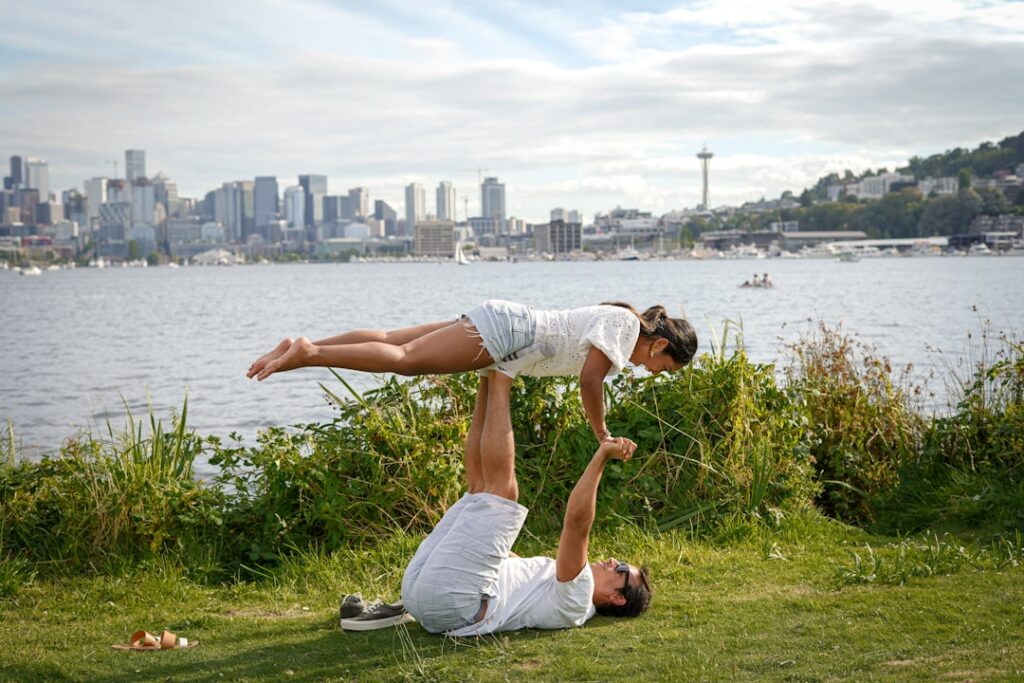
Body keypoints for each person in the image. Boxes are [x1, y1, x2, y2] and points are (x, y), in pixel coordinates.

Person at [400, 372, 651, 635]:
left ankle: (504, 374)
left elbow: (577, 525)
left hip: (453, 601)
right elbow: (509, 566)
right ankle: (488, 373)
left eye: (620, 568)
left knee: (503, 496)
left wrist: (602, 456)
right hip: (426, 595)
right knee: (480, 492)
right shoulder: (558, 586)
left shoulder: (578, 598)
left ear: (617, 598)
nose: (612, 560)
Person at [247, 300, 697, 444]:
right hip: (506, 331)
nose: (654, 372)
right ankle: (308, 353)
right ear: (660, 344)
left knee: (393, 339)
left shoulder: (620, 326)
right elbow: (589, 380)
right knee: (406, 363)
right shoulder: (624, 327)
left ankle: (308, 345)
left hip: (506, 323)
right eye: (663, 366)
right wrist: (602, 433)